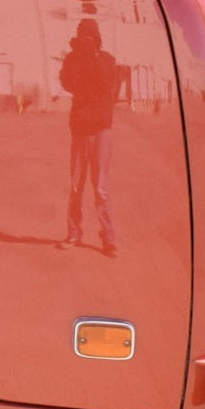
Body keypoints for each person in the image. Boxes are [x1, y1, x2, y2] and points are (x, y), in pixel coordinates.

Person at [60, 18, 120, 251]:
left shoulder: (106, 60)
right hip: (79, 131)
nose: (86, 43)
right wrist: (80, 58)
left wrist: (93, 57)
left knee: (101, 188)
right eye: (82, 38)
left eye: (90, 38)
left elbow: (106, 83)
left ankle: (109, 239)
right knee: (76, 186)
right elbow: (68, 83)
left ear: (97, 40)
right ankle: (74, 233)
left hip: (101, 131)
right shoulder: (72, 60)